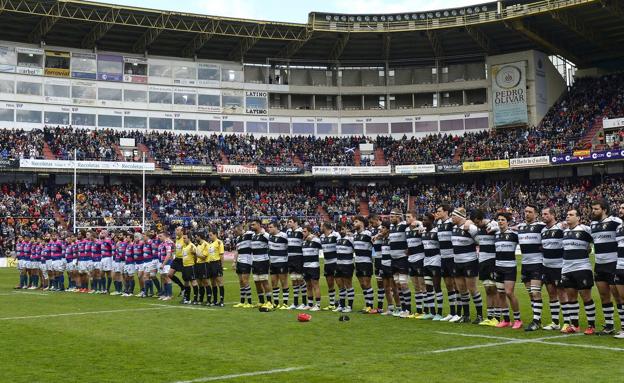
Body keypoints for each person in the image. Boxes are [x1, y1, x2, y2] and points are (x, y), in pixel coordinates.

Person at [589, 199, 622, 335]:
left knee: (618, 296)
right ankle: (609, 325)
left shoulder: (615, 222)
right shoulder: (593, 225)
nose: (593, 211)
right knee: (604, 295)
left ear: (604, 210)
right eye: (592, 209)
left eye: (596, 209)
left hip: (613, 264)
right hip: (599, 265)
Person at [561, 209, 596, 335]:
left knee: (586, 296)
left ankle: (591, 325)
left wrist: (589, 249)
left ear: (578, 218)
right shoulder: (564, 232)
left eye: (571, 215)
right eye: (567, 214)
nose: (568, 217)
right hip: (566, 269)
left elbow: (595, 242)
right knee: (571, 296)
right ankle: (574, 325)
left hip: (582, 268)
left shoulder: (585, 229)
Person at [517, 204, 546, 331]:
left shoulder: (541, 226)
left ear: (535, 214)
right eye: (525, 211)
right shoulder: (520, 227)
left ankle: (535, 321)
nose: (527, 214)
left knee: (535, 292)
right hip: (525, 264)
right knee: (530, 294)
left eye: (529, 212)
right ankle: (538, 320)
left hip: (537, 263)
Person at [540, 207, 567, 331]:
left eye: (546, 214)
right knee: (551, 294)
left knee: (562, 293)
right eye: (542, 214)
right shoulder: (543, 230)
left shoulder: (561, 227)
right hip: (546, 267)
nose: (543, 216)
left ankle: (567, 322)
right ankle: (555, 322)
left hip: (559, 267)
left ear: (553, 215)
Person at [494, 212, 522, 329]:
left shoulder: (514, 235)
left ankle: (517, 319)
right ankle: (506, 320)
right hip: (498, 267)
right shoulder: (495, 235)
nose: (500, 221)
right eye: (499, 220)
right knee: (500, 294)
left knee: (509, 293)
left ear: (507, 222)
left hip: (510, 267)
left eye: (503, 220)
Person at [473, 209, 500, 326]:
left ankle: (497, 317)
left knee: (494, 289)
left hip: (492, 260)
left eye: (477, 222)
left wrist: (494, 227)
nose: (476, 225)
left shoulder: (493, 224)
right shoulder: (478, 229)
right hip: (482, 261)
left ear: (481, 219)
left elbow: (499, 228)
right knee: (487, 289)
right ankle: (489, 317)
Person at [436, 204, 459, 321]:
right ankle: (452, 312)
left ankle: (459, 313)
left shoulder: (451, 222)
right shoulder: (438, 224)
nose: (437, 213)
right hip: (443, 258)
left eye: (439, 211)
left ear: (446, 212)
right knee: (449, 285)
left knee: (456, 285)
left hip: (452, 257)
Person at [422, 213, 443, 320]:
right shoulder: (423, 232)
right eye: (423, 220)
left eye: (425, 220)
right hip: (426, 261)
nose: (423, 222)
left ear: (431, 221)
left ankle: (439, 313)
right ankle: (432, 312)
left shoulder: (437, 232)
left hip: (436, 261)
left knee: (437, 287)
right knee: (428, 288)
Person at [389, 209, 410, 318]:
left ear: (398, 217)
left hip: (402, 258)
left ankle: (408, 309)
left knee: (403, 283)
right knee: (397, 284)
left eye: (392, 216)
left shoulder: (404, 225)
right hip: (394, 259)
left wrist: (409, 248)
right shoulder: (392, 228)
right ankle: (403, 308)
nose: (390, 218)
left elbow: (416, 223)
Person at [406, 212, 426, 318]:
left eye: (409, 217)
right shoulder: (406, 230)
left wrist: (418, 223)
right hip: (411, 260)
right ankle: (419, 310)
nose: (407, 219)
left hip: (420, 259)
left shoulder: (419, 227)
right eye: (406, 217)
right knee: (416, 287)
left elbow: (423, 228)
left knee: (423, 285)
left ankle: (426, 310)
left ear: (414, 218)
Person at [353, 215, 374, 313]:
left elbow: (376, 244)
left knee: (367, 284)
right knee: (362, 285)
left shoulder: (368, 234)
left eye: (356, 221)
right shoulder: (355, 235)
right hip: (357, 262)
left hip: (366, 262)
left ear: (361, 223)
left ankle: (370, 305)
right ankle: (367, 305)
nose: (354, 223)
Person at [250, 219, 272, 309]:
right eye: (251, 224)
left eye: (253, 224)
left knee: (264, 281)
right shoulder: (253, 236)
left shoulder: (265, 235)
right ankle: (261, 301)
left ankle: (269, 302)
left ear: (259, 225)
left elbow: (271, 242)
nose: (252, 226)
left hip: (263, 261)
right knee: (257, 282)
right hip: (255, 262)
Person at [268, 221, 290, 309]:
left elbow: (290, 246)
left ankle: (285, 303)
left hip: (282, 262)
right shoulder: (269, 236)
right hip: (272, 263)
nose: (269, 229)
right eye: (268, 227)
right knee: (274, 282)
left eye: (271, 227)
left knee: (283, 282)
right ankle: (276, 303)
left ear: (276, 227)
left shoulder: (284, 236)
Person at [334, 223, 355, 313]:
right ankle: (341, 305)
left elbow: (355, 249)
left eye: (342, 229)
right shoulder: (338, 239)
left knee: (348, 285)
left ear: (346, 229)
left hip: (347, 264)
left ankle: (349, 306)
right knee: (340, 286)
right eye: (339, 230)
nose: (341, 231)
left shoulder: (351, 239)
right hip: (338, 264)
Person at [286, 217, 306, 309]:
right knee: (294, 280)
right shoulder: (288, 232)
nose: (288, 223)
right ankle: (295, 303)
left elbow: (308, 238)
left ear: (296, 222)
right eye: (288, 221)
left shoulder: (301, 231)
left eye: (290, 221)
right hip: (290, 257)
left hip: (299, 257)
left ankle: (304, 303)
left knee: (300, 279)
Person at [232, 224, 254, 308]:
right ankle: (242, 301)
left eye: (236, 231)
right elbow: (237, 251)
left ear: (240, 229)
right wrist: (234, 261)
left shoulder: (249, 234)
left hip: (247, 260)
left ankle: (249, 302)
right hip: (240, 261)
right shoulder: (238, 238)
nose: (235, 233)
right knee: (241, 282)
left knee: (245, 281)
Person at [320, 222, 340, 311]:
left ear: (325, 227)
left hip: (336, 262)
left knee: (340, 284)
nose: (320, 227)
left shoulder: (336, 235)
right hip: (327, 263)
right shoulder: (322, 237)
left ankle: (341, 303)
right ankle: (332, 304)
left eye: (321, 226)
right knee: (330, 284)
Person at [301, 225, 322, 311]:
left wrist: (314, 238)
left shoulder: (315, 240)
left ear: (309, 232)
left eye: (305, 231)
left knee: (315, 285)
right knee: (308, 286)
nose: (303, 233)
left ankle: (318, 305)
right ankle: (310, 304)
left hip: (314, 266)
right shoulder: (304, 242)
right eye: (303, 231)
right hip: (305, 266)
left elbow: (321, 246)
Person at [369, 214, 385, 312]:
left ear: (377, 219)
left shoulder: (384, 228)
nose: (371, 224)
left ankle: (396, 307)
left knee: (388, 283)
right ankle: (380, 307)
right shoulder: (373, 230)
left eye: (372, 222)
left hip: (384, 258)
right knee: (379, 283)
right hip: (377, 259)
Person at [207, 229, 226, 307]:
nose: (210, 236)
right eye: (209, 235)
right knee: (213, 282)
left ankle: (221, 301)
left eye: (211, 235)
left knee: (219, 282)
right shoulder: (210, 243)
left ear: (215, 234)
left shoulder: (219, 242)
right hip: (210, 264)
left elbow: (221, 255)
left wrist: (221, 265)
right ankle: (215, 300)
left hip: (216, 263)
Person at [614, 203, 624, 338]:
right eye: (620, 208)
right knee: (622, 298)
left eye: (623, 208)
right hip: (620, 266)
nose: (620, 210)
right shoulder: (619, 228)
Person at [181, 233, 198, 304]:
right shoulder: (184, 246)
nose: (183, 239)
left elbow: (196, 256)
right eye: (183, 238)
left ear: (189, 238)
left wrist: (194, 263)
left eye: (185, 238)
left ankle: (195, 299)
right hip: (185, 266)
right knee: (186, 282)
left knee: (193, 281)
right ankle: (187, 299)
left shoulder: (192, 246)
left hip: (191, 266)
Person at [194, 231, 211, 305]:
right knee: (199, 282)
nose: (195, 238)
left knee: (205, 282)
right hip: (198, 264)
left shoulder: (206, 244)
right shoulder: (198, 245)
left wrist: (195, 254)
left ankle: (209, 300)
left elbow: (204, 256)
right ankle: (200, 299)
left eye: (196, 236)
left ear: (200, 237)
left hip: (204, 264)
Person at [157, 231, 174, 301]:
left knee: (167, 278)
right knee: (163, 278)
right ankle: (165, 294)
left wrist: (163, 264)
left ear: (165, 236)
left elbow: (168, 254)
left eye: (160, 236)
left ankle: (169, 295)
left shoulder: (167, 243)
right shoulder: (162, 244)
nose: (159, 237)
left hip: (166, 263)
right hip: (161, 262)